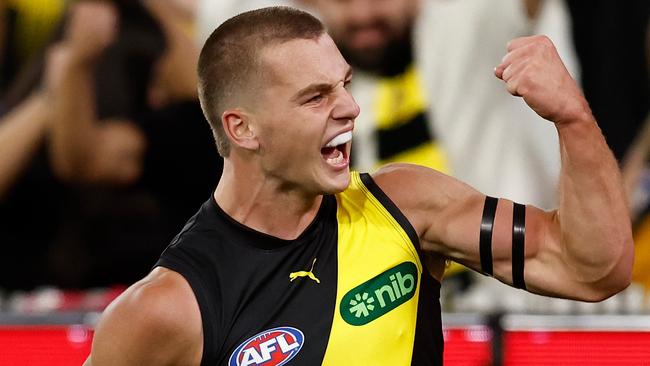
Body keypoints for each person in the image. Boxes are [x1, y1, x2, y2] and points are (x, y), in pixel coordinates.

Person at [84, 7, 633, 365]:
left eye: (344, 84)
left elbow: (593, 269)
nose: (349, 107)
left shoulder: (410, 208)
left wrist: (574, 121)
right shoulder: (167, 308)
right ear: (241, 128)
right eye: (315, 96)